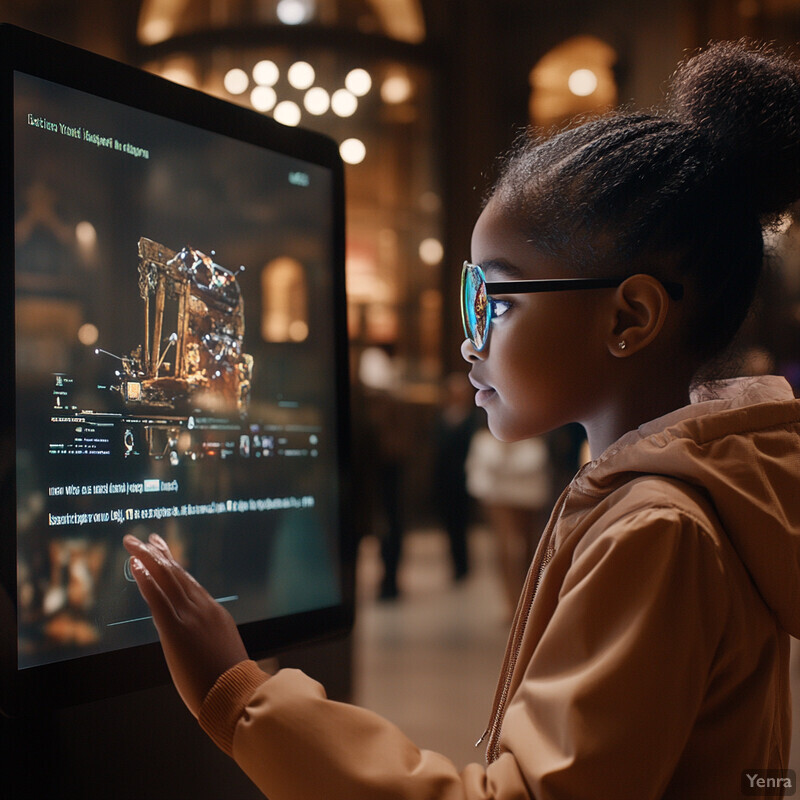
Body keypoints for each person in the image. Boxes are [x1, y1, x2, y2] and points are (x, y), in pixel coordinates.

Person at [123, 40, 800, 799]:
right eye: (466, 296)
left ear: (630, 316)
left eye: (498, 302)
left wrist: (239, 697)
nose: (467, 339)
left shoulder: (657, 530)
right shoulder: (684, 497)